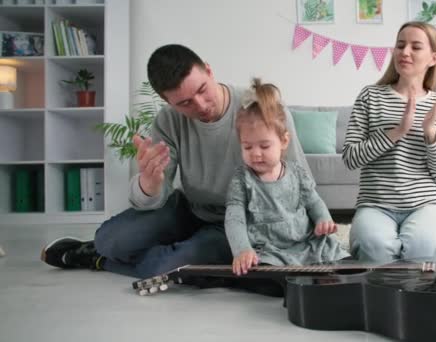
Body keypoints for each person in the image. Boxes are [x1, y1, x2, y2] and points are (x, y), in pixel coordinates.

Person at [40, 44, 310, 280]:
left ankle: (99, 260)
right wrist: (149, 185)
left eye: (203, 90)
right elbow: (150, 199)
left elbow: (298, 179)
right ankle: (115, 251)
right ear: (167, 101)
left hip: (239, 224)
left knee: (171, 265)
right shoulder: (168, 120)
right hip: (189, 209)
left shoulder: (259, 106)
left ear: (208, 70)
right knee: (110, 239)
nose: (201, 105)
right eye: (185, 103)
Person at [342, 21, 436, 263]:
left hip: (426, 204)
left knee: (423, 250)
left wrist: (431, 134)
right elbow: (350, 158)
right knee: (373, 250)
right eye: (400, 45)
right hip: (375, 204)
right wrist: (397, 132)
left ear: (433, 58)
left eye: (415, 47)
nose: (404, 52)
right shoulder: (370, 96)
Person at [226, 78, 349, 276]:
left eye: (264, 146)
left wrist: (323, 220)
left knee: (338, 258)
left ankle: (321, 274)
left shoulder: (296, 172)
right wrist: (242, 250)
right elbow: (234, 219)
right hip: (270, 249)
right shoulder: (242, 179)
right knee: (263, 273)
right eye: (247, 147)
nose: (256, 153)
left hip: (305, 241)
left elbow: (314, 201)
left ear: (283, 141)